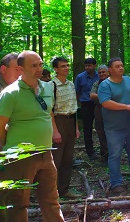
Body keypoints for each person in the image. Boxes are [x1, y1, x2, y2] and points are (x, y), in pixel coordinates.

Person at [0, 51, 65, 222]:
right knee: (18, 202)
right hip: (21, 156)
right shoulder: (10, 94)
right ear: (21, 69)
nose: (39, 69)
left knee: (51, 200)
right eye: (34, 65)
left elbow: (48, 113)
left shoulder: (47, 87)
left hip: (46, 153)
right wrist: (14, 147)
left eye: (40, 64)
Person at [97, 57, 130, 194]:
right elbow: (105, 103)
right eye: (117, 66)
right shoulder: (105, 85)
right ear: (110, 70)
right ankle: (116, 183)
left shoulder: (128, 80)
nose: (121, 68)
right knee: (115, 154)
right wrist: (126, 107)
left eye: (122, 65)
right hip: (114, 127)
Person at [50, 57, 81, 199]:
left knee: (68, 159)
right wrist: (55, 131)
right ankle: (52, 192)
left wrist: (76, 128)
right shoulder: (51, 85)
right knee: (56, 158)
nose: (66, 68)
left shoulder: (71, 84)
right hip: (58, 121)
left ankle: (64, 189)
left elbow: (73, 107)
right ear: (55, 69)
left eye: (67, 65)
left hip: (70, 121)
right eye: (63, 66)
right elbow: (49, 110)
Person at [75, 57, 100, 160]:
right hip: (86, 105)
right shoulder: (80, 77)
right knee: (87, 129)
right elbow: (77, 92)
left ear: (94, 65)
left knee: (101, 126)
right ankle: (90, 152)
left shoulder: (100, 76)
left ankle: (104, 149)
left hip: (98, 104)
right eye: (86, 66)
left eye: (89, 65)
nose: (87, 67)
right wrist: (79, 104)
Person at [90, 65, 109, 164]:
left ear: (108, 72)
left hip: (112, 111)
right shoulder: (96, 83)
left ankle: (114, 156)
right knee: (101, 132)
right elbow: (92, 95)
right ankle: (105, 156)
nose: (102, 74)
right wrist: (106, 97)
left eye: (103, 72)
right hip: (99, 110)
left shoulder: (113, 82)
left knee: (112, 132)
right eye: (100, 72)